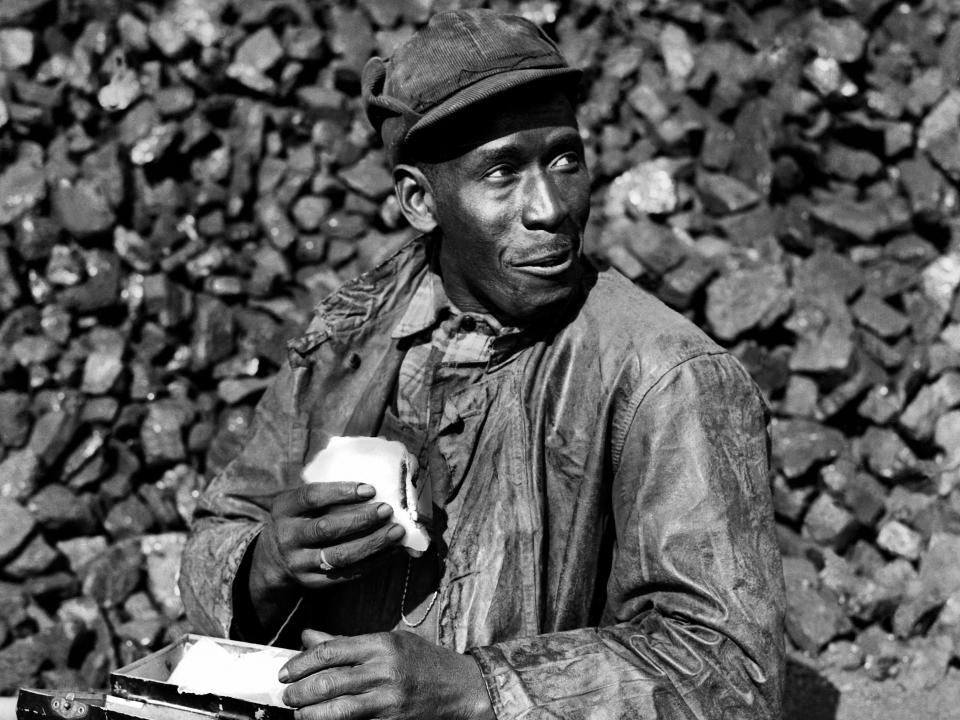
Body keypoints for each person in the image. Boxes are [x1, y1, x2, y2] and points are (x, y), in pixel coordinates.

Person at [180, 9, 785, 720]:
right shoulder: (350, 338)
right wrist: (265, 566)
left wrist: (478, 689)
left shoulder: (666, 378)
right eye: (502, 172)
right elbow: (219, 534)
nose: (551, 208)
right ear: (418, 200)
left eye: (565, 158)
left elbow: (734, 674)